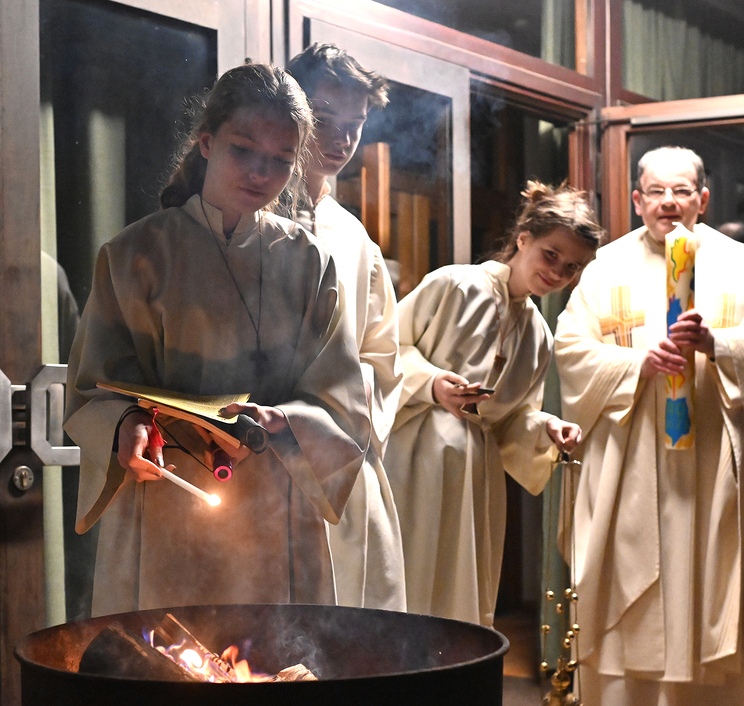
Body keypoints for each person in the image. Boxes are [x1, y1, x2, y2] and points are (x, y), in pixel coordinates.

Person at [63, 62, 371, 616]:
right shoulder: (136, 254)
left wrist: (285, 420)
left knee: (277, 653)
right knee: (166, 654)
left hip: (276, 502)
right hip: (166, 492)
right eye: (243, 150)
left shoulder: (311, 264)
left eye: (281, 160)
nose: (260, 172)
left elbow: (343, 400)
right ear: (206, 142)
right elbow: (92, 387)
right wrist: (126, 425)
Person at [554, 145, 744, 705]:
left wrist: (719, 344)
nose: (669, 202)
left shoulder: (741, 265)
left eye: (682, 191)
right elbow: (569, 350)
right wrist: (637, 364)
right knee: (627, 586)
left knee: (710, 585)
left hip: (713, 464)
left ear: (703, 199)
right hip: (631, 463)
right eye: (657, 192)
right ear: (636, 199)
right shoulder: (605, 268)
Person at [383, 181, 604, 627]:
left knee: (459, 588)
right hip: (415, 460)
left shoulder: (538, 334)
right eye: (550, 254)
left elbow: (510, 420)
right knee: (410, 575)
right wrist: (431, 384)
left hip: (474, 475)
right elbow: (384, 351)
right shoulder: (454, 285)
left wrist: (544, 427)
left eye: (572, 267)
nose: (558, 272)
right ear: (523, 239)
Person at [285, 43, 406, 611]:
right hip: (263, 452)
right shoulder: (251, 217)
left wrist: (346, 422)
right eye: (325, 119)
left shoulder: (354, 237)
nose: (340, 139)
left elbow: (383, 355)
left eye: (355, 125)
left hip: (340, 452)